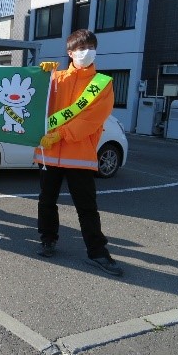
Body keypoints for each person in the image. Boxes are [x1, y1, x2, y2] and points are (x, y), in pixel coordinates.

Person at [34, 29, 122, 276]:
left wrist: (62, 133)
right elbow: (35, 102)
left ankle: (98, 252)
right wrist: (41, 75)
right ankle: (47, 240)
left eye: (91, 47)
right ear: (69, 52)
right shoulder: (56, 79)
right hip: (49, 153)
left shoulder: (102, 84)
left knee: (86, 207)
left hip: (79, 154)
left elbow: (93, 119)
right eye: (81, 48)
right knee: (46, 200)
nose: (86, 52)